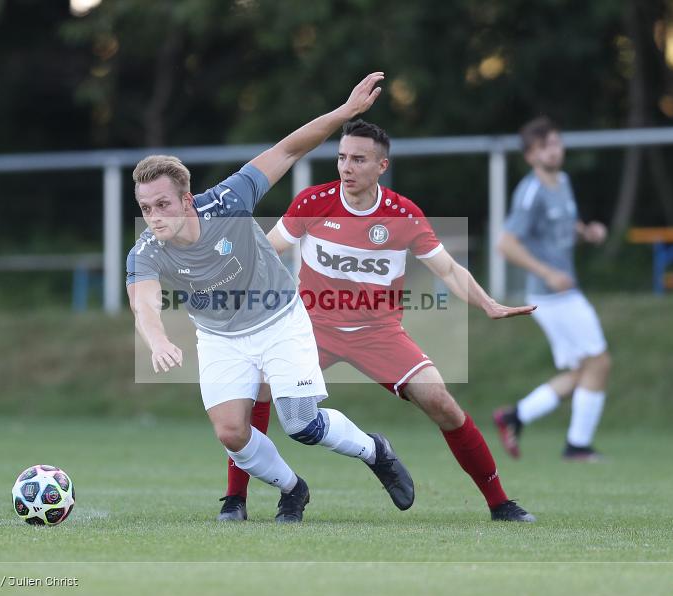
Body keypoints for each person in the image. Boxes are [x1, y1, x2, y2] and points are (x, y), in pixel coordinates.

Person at [126, 73, 415, 524]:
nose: (155, 216)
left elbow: (288, 149)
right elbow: (143, 302)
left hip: (280, 319)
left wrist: (345, 113)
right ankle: (293, 490)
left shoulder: (227, 201)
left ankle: (374, 450)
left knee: (301, 424)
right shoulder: (146, 249)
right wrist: (158, 341)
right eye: (146, 208)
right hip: (220, 337)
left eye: (163, 204)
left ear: (186, 200)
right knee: (230, 431)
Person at [217, 118, 537, 523]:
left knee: (443, 404)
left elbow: (450, 270)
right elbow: (268, 251)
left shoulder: (403, 215)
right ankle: (235, 500)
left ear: (381, 166)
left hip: (379, 333)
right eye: (341, 158)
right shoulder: (313, 202)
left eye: (358, 159)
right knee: (256, 391)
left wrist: (487, 303)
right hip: (311, 329)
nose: (346, 167)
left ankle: (500, 503)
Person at [493, 116, 612, 462]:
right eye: (545, 146)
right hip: (552, 296)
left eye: (557, 143)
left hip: (563, 292)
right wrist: (547, 272)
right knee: (600, 362)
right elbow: (506, 244)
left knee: (582, 372)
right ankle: (577, 446)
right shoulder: (530, 192)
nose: (554, 150)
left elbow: (563, 222)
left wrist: (586, 231)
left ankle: (514, 417)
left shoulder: (563, 181)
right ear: (531, 155)